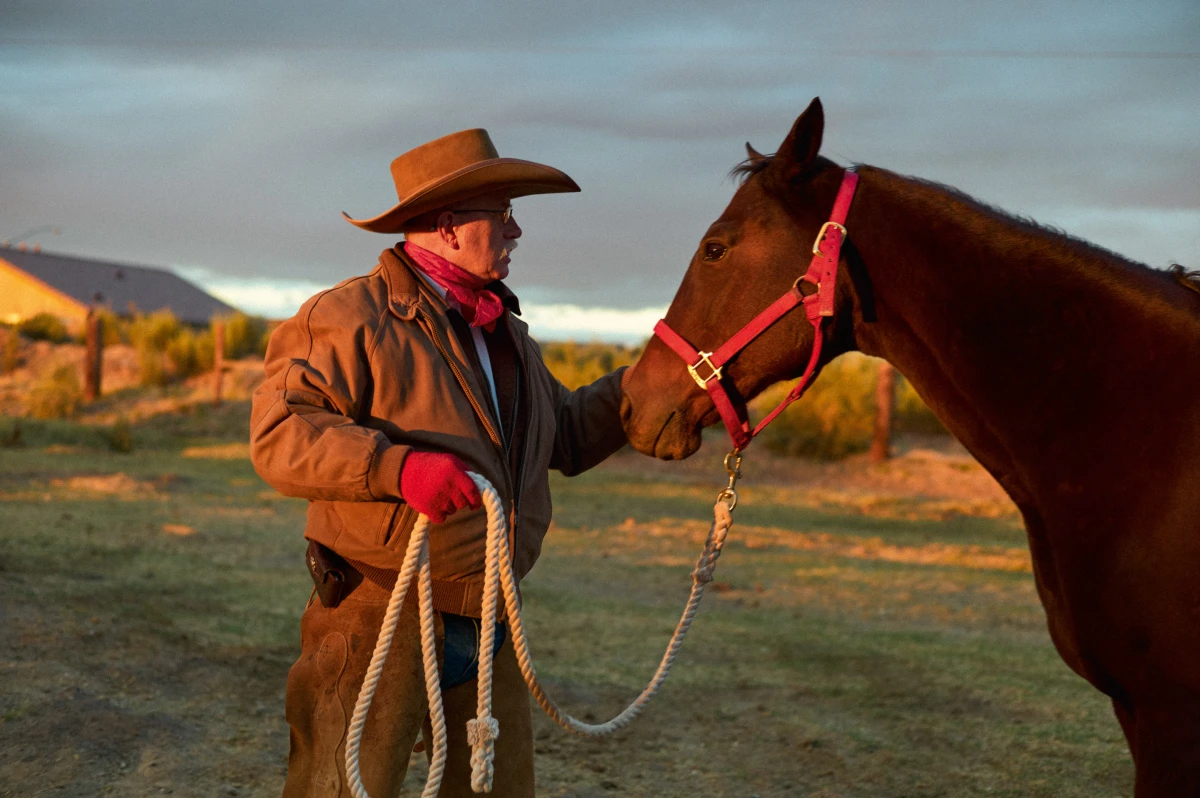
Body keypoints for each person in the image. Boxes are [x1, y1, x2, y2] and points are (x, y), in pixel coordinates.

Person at [250, 128, 629, 797]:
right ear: (451, 227)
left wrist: (662, 382)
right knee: (337, 789)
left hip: (490, 619)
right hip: (377, 612)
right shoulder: (348, 318)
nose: (516, 232)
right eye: (503, 214)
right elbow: (281, 432)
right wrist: (397, 469)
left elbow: (565, 435)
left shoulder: (507, 336)